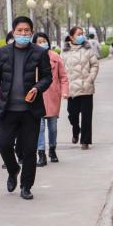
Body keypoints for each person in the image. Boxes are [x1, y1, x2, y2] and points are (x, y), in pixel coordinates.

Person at [0, 16, 52, 200]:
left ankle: (26, 186)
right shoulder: (2, 53)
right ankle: (13, 170)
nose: (23, 33)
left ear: (31, 32)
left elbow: (47, 77)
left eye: (27, 30)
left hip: (31, 111)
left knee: (29, 150)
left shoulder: (39, 52)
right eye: (19, 30)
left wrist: (37, 88)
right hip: (7, 110)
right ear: (13, 32)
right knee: (4, 145)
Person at [34, 32, 69, 165]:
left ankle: (52, 149)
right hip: (37, 96)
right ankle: (41, 153)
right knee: (40, 127)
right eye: (39, 41)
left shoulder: (55, 57)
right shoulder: (31, 57)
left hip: (53, 96)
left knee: (53, 127)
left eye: (44, 41)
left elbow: (63, 77)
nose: (42, 43)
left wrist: (64, 91)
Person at [63, 27, 100, 150]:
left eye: (82, 34)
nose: (81, 36)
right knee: (72, 114)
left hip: (86, 87)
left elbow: (95, 65)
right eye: (78, 34)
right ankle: (76, 129)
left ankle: (85, 141)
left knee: (86, 116)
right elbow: (61, 70)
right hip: (71, 88)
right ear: (71, 36)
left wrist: (90, 78)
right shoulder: (64, 52)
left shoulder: (88, 49)